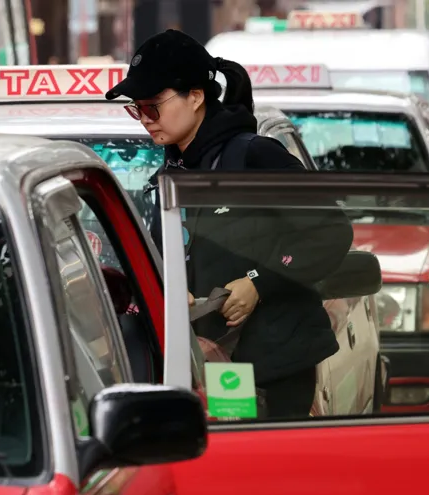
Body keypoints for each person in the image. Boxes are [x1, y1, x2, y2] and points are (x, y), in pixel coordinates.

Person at [104, 29, 353, 419]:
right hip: (203, 364)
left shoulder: (255, 156)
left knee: (260, 470)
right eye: (137, 109)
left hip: (270, 363)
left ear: (197, 96)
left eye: (152, 107)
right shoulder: (171, 172)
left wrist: (258, 284)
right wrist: (175, 290)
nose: (145, 120)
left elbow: (331, 232)